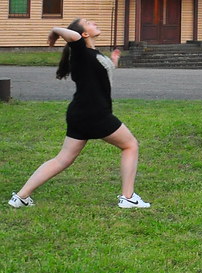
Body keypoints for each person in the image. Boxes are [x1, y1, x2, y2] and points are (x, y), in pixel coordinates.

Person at [9, 19, 151, 209]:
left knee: (63, 159)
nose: (94, 22)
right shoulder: (80, 50)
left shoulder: (90, 54)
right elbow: (73, 37)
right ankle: (128, 197)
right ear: (84, 34)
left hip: (81, 113)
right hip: (94, 113)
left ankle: (21, 197)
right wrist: (54, 30)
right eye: (88, 22)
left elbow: (97, 74)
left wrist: (114, 61)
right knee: (130, 145)